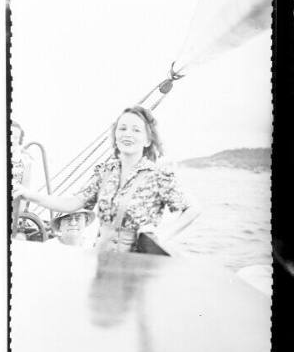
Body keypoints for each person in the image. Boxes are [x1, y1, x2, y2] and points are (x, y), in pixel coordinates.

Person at [13, 106, 199, 253]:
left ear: (148, 140)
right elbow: (71, 204)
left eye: (136, 130)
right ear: (115, 136)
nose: (127, 134)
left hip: (136, 261)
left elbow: (193, 209)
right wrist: (29, 195)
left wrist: (162, 235)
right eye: (122, 128)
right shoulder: (105, 172)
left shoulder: (157, 175)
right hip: (101, 258)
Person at [11, 121, 33, 237]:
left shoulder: (25, 160)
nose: (12, 140)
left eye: (16, 137)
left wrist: (20, 213)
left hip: (13, 203)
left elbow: (25, 188)